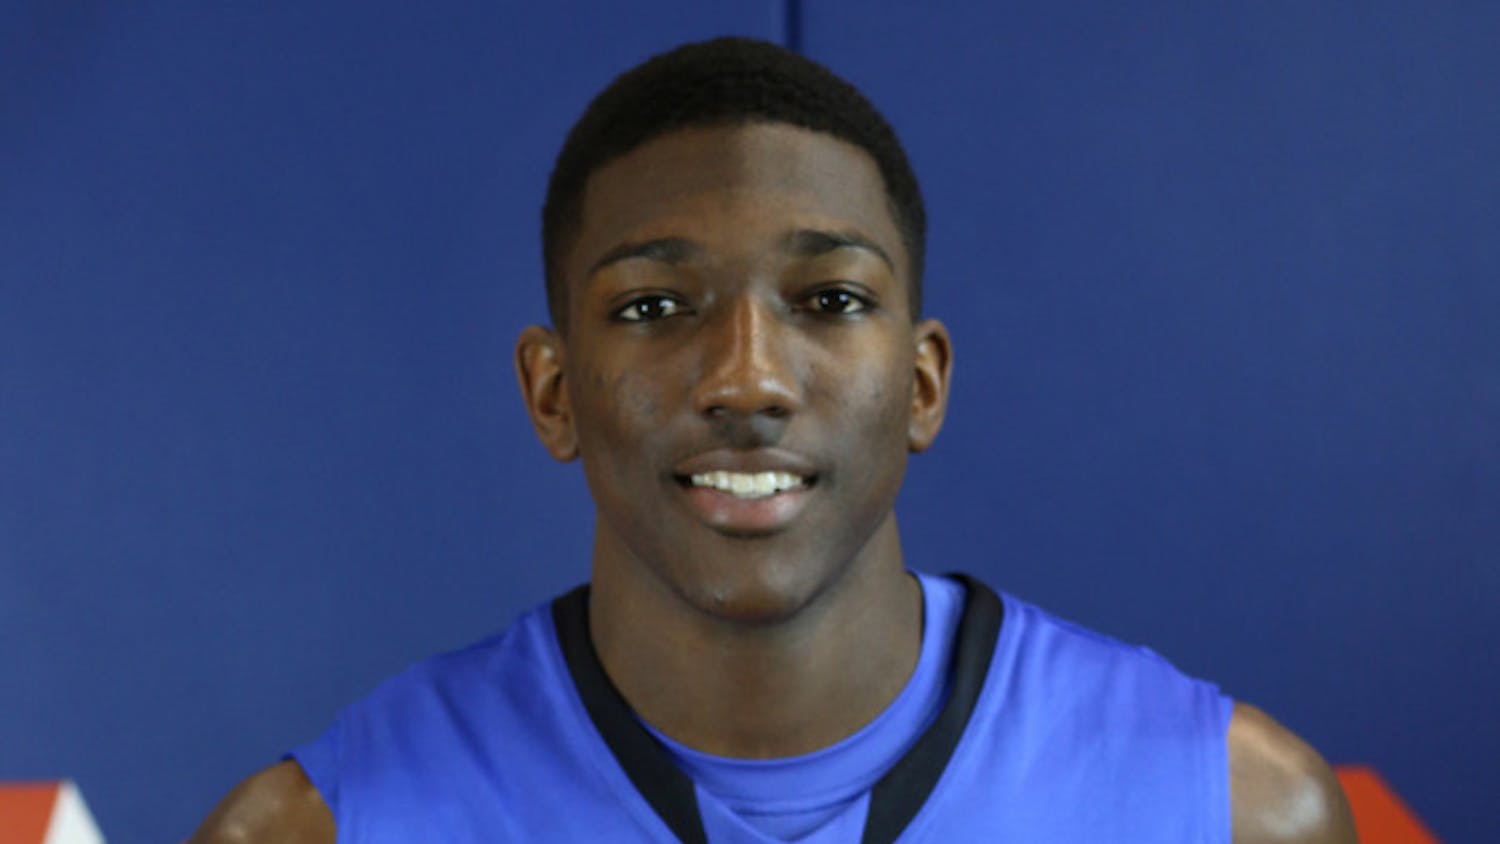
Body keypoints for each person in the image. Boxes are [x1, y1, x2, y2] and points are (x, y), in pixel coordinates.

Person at [189, 37, 1356, 843]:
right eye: (654, 306)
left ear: (923, 380)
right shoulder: (324, 829)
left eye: (831, 299)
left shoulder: (1229, 811)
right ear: (551, 393)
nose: (746, 376)